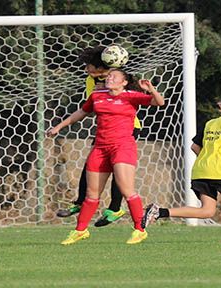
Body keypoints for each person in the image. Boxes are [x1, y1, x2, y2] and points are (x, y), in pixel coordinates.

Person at [142, 91, 221, 252]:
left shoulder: (211, 123)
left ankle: (159, 212)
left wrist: (208, 159)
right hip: (219, 171)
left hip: (200, 170)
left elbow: (194, 146)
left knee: (207, 210)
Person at [47, 68, 164, 245]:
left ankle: (140, 230)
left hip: (122, 146)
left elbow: (159, 102)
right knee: (92, 194)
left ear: (124, 82)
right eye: (109, 75)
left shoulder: (131, 96)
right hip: (100, 148)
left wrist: (151, 89)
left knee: (127, 190)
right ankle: (80, 231)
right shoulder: (97, 95)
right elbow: (81, 112)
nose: (109, 78)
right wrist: (59, 127)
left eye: (114, 76)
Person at [56, 46, 143, 227]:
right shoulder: (92, 81)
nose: (86, 69)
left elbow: (139, 97)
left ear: (100, 66)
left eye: (88, 65)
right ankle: (81, 202)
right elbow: (93, 105)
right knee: (91, 166)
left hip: (128, 128)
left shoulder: (119, 78)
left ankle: (115, 208)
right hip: (105, 129)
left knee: (119, 172)